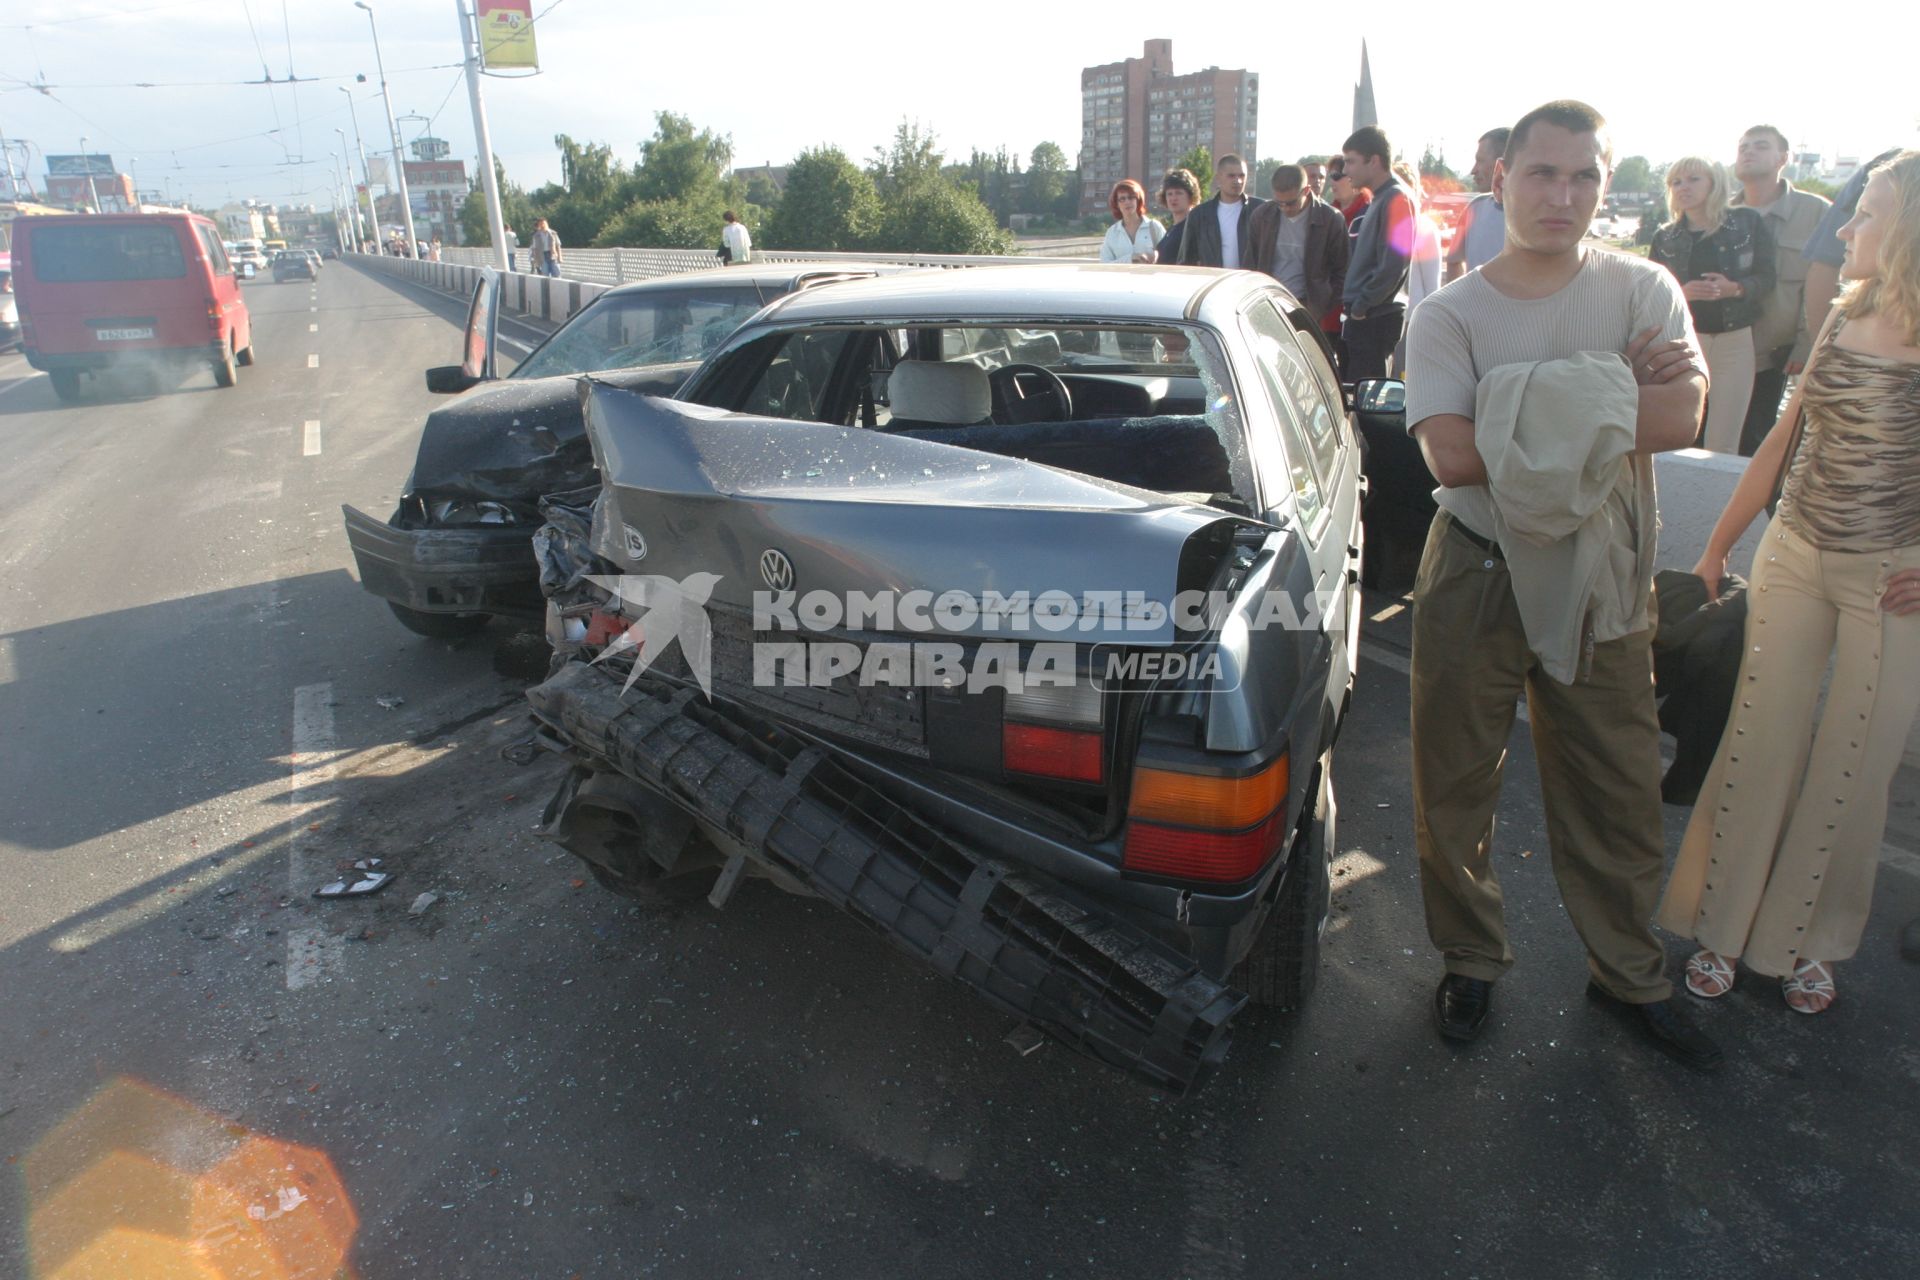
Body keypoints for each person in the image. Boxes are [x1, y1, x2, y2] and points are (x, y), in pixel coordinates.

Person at [1405, 100, 1722, 1071]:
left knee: (1617, 783)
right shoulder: (1448, 313)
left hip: (1602, 566)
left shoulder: (1642, 286)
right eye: (1543, 173)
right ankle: (1470, 956)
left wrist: (1528, 403)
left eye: (1584, 176)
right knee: (1454, 781)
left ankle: (1628, 972)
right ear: (1502, 178)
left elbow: (1685, 413)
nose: (1563, 194)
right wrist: (1605, 387)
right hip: (1478, 567)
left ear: (1605, 185)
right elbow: (1455, 457)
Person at [1659, 151, 1920, 1013]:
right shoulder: (1846, 313)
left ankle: (1812, 940)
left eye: (1867, 214)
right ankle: (1722, 929)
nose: (1843, 229)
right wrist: (1719, 545)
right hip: (1795, 554)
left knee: (1856, 762)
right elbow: (1783, 444)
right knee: (1756, 742)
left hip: (1891, 582)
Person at [1650, 158, 1775, 453]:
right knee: (1677, 431)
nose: (1683, 188)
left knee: (1724, 438)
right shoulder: (1665, 236)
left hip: (1735, 341)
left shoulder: (1746, 222)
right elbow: (1651, 293)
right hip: (1684, 343)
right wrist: (1681, 293)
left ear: (1714, 183)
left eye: (1693, 179)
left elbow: (1768, 277)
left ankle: (1718, 499)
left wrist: (1735, 288)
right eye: (1676, 182)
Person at [1731, 126, 1832, 456]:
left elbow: (1829, 286)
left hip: (1777, 356)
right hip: (1722, 350)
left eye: (1760, 146)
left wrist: (1806, 344)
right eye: (1743, 146)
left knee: (1761, 447)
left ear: (1782, 159)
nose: (1748, 152)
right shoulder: (1721, 212)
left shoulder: (1816, 213)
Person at [1340, 125, 1416, 381]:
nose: (1345, 170)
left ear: (1374, 161)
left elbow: (1394, 265)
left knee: (1370, 405)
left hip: (1375, 318)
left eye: (1351, 161)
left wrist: (1363, 305)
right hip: (1367, 316)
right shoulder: (1382, 197)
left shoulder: (1396, 198)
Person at [1246, 164, 1349, 327]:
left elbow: (1342, 272)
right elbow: (1250, 265)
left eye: (1291, 203)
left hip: (1309, 311)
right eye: (1279, 203)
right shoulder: (1262, 216)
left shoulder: (1331, 220)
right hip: (1268, 305)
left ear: (1306, 191)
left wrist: (1321, 305)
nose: (1285, 208)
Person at [1392, 160, 1445, 374]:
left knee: (1407, 379)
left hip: (1413, 320)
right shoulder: (1384, 223)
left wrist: (1430, 324)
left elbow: (1433, 284)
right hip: (1388, 317)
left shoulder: (1425, 227)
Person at [1445, 127, 1511, 283]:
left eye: (1480, 161)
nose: (1473, 170)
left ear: (1501, 164)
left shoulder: (1537, 215)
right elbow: (1453, 261)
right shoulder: (1474, 209)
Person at [1175, 154, 1264, 269]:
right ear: (1218, 178)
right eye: (1231, 176)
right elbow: (1186, 261)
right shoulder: (1199, 215)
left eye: (1242, 176)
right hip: (1216, 283)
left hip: (1250, 283)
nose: (1238, 181)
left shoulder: (1260, 210)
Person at [1099, 179, 1165, 263]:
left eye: (1131, 197)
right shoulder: (1112, 233)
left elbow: (1168, 256)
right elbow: (1105, 264)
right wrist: (1131, 258)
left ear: (1138, 200)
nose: (1127, 202)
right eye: (1122, 199)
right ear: (1117, 204)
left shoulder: (1154, 227)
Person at [1156, 168, 1200, 265]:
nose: (1173, 198)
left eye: (1179, 193)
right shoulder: (1171, 229)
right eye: (1169, 194)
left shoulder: (1195, 228)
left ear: (1190, 196)